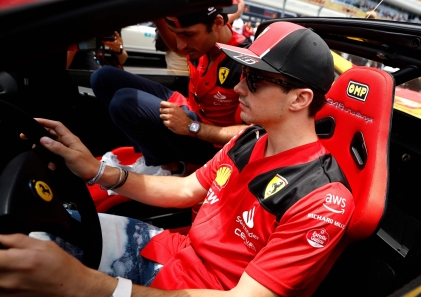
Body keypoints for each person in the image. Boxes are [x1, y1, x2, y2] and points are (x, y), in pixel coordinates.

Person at [0, 21, 354, 296]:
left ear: (300, 99)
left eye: (256, 80)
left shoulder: (323, 200)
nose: (238, 88)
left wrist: (88, 286)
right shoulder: (252, 137)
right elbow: (186, 190)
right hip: (176, 253)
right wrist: (98, 171)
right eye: (243, 74)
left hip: (198, 290)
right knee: (39, 235)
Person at [90, 4, 251, 174]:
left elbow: (254, 131)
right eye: (177, 35)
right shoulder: (201, 42)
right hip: (191, 112)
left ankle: (170, 168)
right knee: (103, 77)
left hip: (211, 143)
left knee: (124, 101)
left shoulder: (246, 64)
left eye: (188, 34)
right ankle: (151, 157)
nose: (181, 46)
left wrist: (192, 126)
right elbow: (177, 45)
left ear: (218, 23)